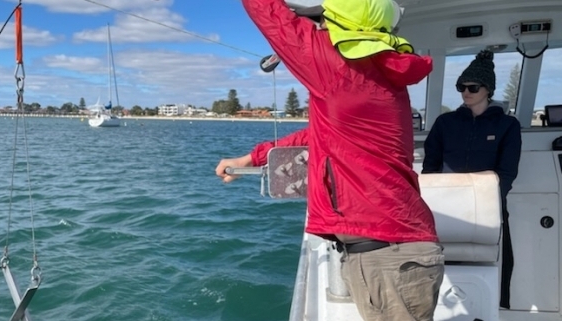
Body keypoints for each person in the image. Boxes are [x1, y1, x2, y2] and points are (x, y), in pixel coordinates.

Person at [216, 1, 444, 320]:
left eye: (322, 23)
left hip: (388, 260)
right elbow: (322, 135)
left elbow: (271, 16)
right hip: (397, 254)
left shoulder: (336, 66)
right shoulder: (377, 75)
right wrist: (254, 157)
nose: (318, 30)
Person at [422, 49, 522, 309]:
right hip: (446, 207)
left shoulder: (507, 126)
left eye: (473, 87)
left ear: (487, 89)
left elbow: (508, 171)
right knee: (442, 262)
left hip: (490, 207)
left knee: (498, 262)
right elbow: (431, 165)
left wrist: (490, 201)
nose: (466, 92)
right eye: (461, 87)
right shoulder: (445, 123)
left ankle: (494, 308)